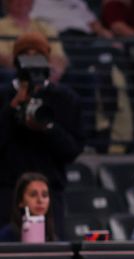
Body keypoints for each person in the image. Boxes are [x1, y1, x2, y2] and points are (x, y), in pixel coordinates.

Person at [0, 32, 84, 236]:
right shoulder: (3, 96)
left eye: (37, 55)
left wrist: (48, 128)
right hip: (8, 191)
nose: (31, 63)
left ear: (46, 60)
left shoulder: (66, 98)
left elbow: (72, 150)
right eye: (25, 56)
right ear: (16, 61)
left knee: (51, 251)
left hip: (48, 193)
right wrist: (11, 109)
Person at [0, 0, 69, 81]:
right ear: (8, 3)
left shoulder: (45, 27)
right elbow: (4, 58)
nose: (23, 2)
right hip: (15, 75)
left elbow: (59, 56)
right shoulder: (1, 26)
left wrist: (56, 71)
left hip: (48, 75)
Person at [0, 172, 56, 242]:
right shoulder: (6, 236)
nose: (40, 200)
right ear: (21, 201)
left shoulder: (52, 237)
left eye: (44, 195)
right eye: (33, 195)